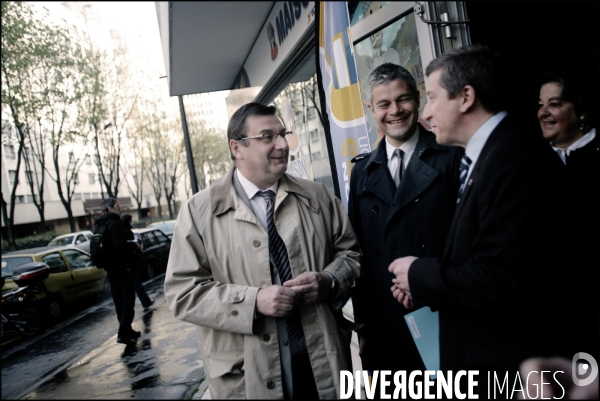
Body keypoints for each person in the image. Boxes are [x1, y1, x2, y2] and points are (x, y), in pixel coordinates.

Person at [387, 45, 567, 392]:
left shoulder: (513, 157)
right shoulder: (492, 153)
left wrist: (419, 274)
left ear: (466, 96)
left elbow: (498, 275)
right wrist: (422, 286)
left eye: (434, 97)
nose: (426, 112)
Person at [164, 103, 361, 399]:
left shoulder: (318, 197)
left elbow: (352, 254)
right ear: (237, 147)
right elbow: (182, 293)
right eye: (268, 137)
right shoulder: (199, 212)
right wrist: (252, 301)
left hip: (321, 364)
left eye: (284, 134)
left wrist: (329, 280)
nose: (282, 144)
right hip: (247, 376)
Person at [348, 63, 462, 375]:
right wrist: (364, 332)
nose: (395, 111)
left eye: (403, 99)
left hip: (444, 314)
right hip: (386, 324)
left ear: (418, 97)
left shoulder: (451, 155)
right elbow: (358, 259)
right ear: (371, 109)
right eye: (384, 104)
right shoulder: (361, 172)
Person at [536, 73, 598, 360]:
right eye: (540, 104)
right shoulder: (530, 161)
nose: (543, 112)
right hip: (551, 305)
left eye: (555, 104)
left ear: (579, 109)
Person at [94, 198, 140, 345]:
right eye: (117, 206)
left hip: (110, 269)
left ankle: (126, 329)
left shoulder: (101, 226)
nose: (120, 208)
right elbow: (119, 246)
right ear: (110, 209)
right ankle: (123, 332)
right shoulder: (115, 224)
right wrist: (133, 246)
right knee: (128, 298)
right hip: (121, 267)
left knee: (119, 300)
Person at [121, 213, 155, 311]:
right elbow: (132, 247)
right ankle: (145, 302)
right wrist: (137, 247)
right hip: (130, 262)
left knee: (128, 286)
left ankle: (130, 306)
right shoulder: (127, 232)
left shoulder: (120, 231)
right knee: (136, 283)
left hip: (124, 263)